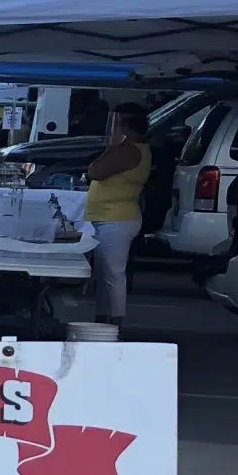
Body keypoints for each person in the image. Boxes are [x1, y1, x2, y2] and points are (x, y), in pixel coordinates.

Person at [85, 103, 154, 334]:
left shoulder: (129, 151)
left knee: (113, 272)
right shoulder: (132, 148)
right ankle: (103, 318)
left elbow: (95, 170)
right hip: (110, 217)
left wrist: (111, 147)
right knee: (104, 272)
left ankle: (115, 322)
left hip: (116, 219)